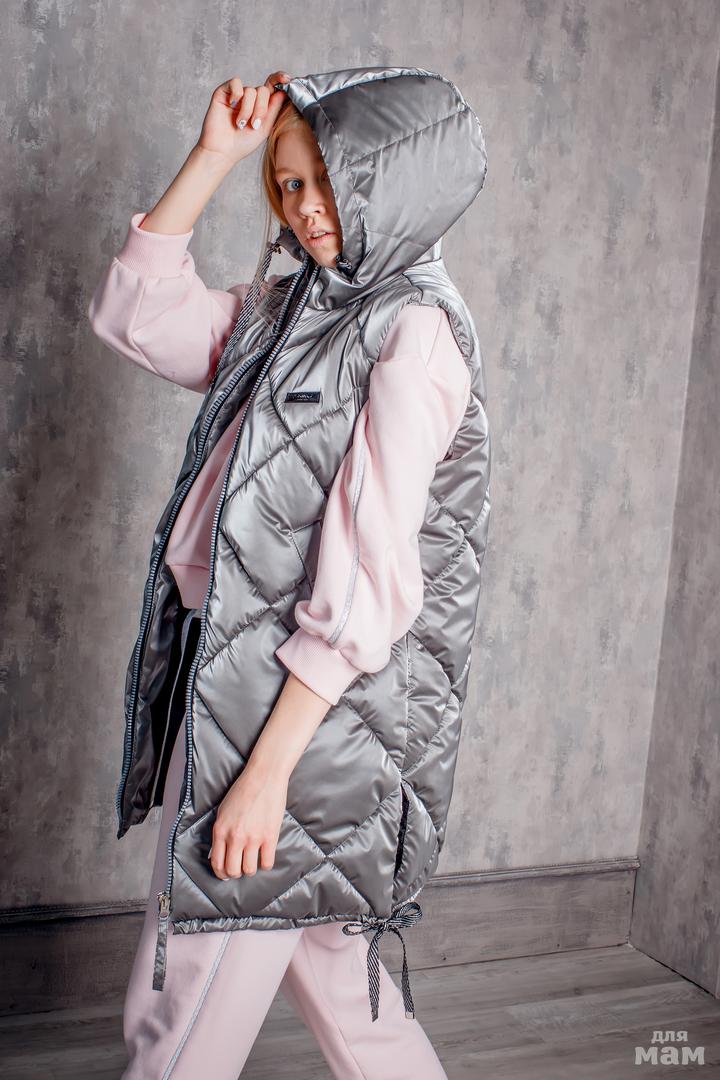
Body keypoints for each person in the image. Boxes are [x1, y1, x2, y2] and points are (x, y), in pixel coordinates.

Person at [88, 66, 489, 1079]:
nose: (306, 209)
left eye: (329, 183)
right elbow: (140, 320)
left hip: (286, 716)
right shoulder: (291, 308)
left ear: (393, 183)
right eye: (288, 184)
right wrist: (214, 157)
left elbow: (370, 580)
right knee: (356, 1009)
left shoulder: (412, 332)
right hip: (235, 681)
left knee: (177, 1022)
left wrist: (264, 778)